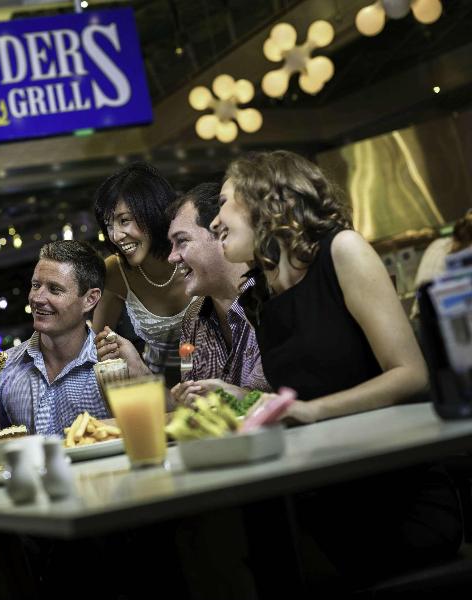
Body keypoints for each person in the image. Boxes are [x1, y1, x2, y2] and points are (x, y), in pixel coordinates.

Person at [210, 150, 462, 582]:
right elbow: (309, 391)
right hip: (321, 491)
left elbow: (410, 373)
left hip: (392, 495)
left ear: (265, 197)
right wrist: (246, 398)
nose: (214, 221)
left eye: (222, 202)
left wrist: (310, 412)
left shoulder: (342, 250)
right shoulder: (262, 295)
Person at [96, 183, 269, 405]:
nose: (172, 257)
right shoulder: (193, 319)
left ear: (223, 234)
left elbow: (292, 399)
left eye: (182, 241)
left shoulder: (273, 300)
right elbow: (189, 408)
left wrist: (234, 397)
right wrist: (140, 371)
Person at [92, 162, 192, 384]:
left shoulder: (193, 253)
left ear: (152, 212)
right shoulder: (116, 271)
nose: (116, 236)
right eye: (109, 225)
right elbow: (98, 347)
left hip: (218, 378)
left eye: (124, 220)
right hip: (155, 385)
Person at [0, 240, 110, 435]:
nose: (37, 298)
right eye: (35, 285)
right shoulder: (2, 370)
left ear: (90, 299)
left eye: (54, 289)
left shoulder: (114, 367)